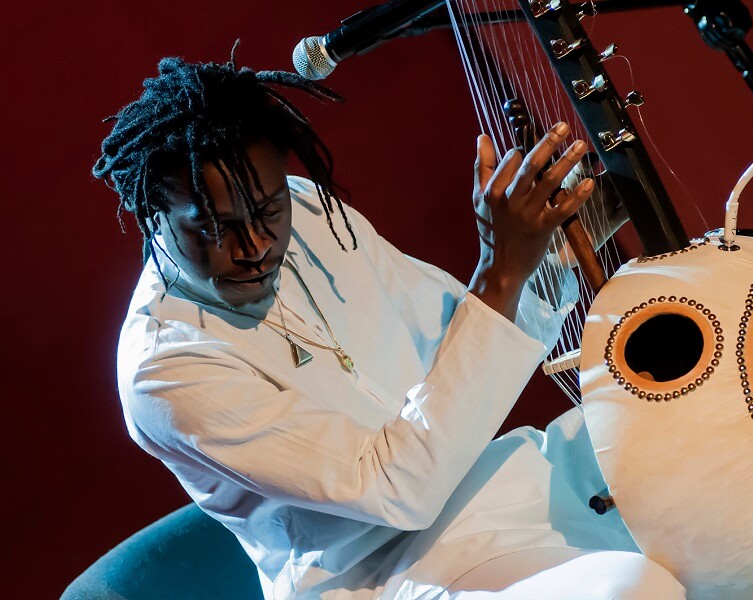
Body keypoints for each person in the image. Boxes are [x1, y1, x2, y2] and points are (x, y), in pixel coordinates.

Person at [94, 48, 685, 599]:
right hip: (384, 573)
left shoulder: (309, 211)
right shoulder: (165, 371)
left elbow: (470, 359)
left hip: (502, 482)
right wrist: (499, 271)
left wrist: (547, 255)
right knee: (633, 588)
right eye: (212, 228)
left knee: (697, 436)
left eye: (268, 209)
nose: (255, 246)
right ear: (153, 215)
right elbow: (399, 489)